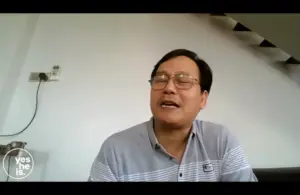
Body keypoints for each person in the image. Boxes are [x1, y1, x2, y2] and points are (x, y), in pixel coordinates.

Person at [88, 49, 258, 182]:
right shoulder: (116, 150)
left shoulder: (221, 141)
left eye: (183, 81)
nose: (168, 88)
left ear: (203, 99)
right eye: (160, 79)